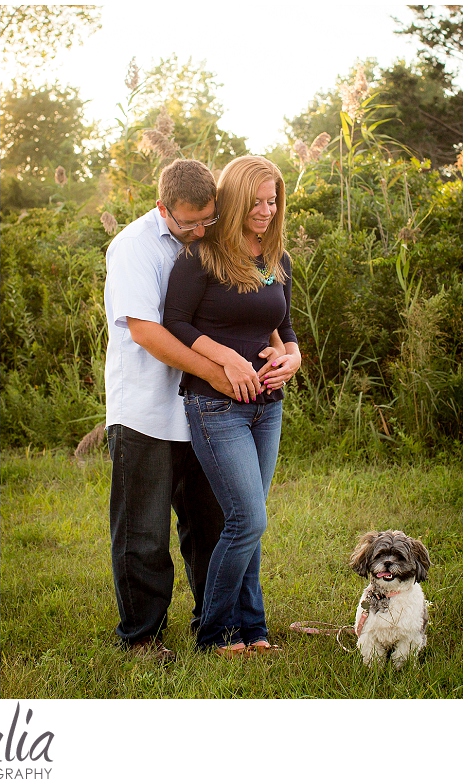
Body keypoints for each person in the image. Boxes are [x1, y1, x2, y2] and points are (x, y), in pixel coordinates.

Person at [104, 159, 282, 661]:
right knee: (142, 532)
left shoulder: (210, 247)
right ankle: (142, 636)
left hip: (206, 412)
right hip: (146, 409)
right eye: (190, 223)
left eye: (210, 218)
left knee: (211, 525)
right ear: (164, 210)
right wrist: (216, 368)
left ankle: (217, 625)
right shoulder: (135, 247)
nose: (201, 230)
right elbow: (147, 330)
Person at [163, 155, 301, 656]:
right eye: (257, 201)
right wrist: (224, 358)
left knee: (251, 519)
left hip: (269, 406)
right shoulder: (200, 257)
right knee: (247, 519)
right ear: (236, 198)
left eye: (273, 201)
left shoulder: (276, 258)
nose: (266, 211)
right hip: (215, 407)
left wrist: (294, 358)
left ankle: (253, 627)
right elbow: (175, 323)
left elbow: (283, 328)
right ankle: (214, 633)